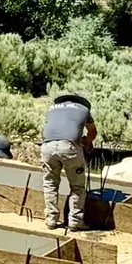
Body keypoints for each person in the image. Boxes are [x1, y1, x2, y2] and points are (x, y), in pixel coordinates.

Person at [39, 93, 98, 232]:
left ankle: (51, 219)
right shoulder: (83, 110)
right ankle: (75, 221)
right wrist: (86, 142)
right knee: (77, 186)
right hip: (69, 147)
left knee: (50, 184)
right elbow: (92, 132)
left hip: (47, 147)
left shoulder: (52, 109)